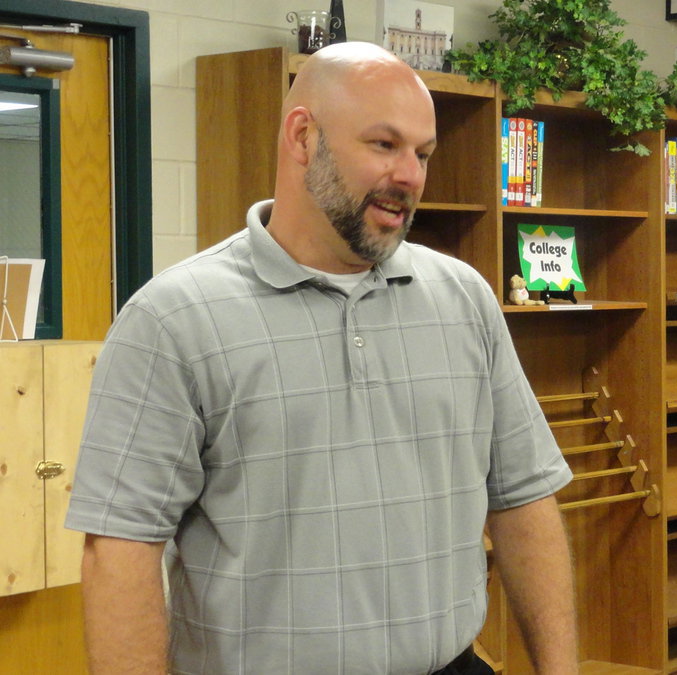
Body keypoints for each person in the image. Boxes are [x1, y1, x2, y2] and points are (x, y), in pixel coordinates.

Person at [66, 42, 578, 675]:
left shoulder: (464, 298)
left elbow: (524, 498)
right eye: (384, 145)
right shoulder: (173, 319)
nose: (411, 176)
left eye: (422, 154)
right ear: (303, 137)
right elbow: (119, 552)